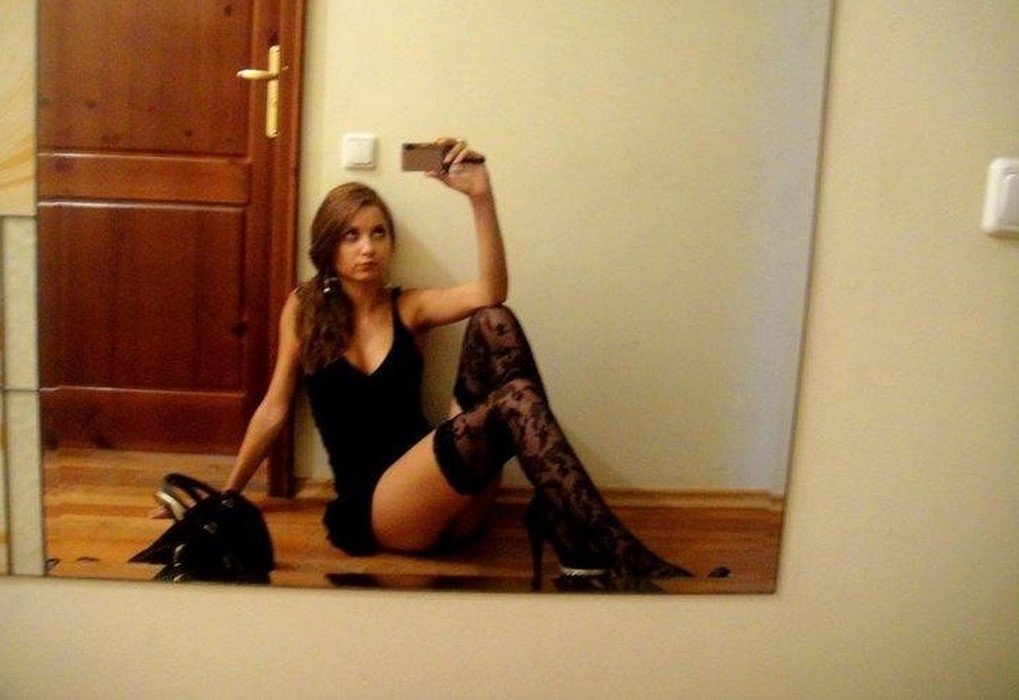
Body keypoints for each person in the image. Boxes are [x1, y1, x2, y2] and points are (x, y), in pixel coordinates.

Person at [218, 138, 693, 583]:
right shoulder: (303, 309)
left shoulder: (409, 306)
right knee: (515, 398)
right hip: (386, 509)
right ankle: (594, 538)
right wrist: (228, 495)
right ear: (328, 246)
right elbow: (274, 409)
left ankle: (584, 535)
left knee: (494, 318)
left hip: (450, 493)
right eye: (351, 235)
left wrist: (480, 197)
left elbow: (491, 291)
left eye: (379, 233)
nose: (368, 247)